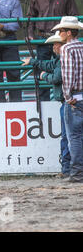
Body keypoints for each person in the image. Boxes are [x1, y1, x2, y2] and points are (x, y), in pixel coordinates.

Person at [27, 0, 79, 101]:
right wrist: (30, 34)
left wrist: (71, 35)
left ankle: (64, 98)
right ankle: (43, 101)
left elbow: (74, 16)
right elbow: (30, 18)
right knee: (44, 66)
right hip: (43, 38)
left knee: (63, 70)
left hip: (61, 40)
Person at [22, 31, 70, 178]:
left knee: (68, 137)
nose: (53, 46)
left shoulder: (63, 59)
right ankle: (69, 168)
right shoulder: (60, 59)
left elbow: (56, 77)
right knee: (69, 136)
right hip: (68, 101)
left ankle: (67, 169)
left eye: (56, 43)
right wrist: (34, 62)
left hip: (68, 102)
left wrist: (43, 76)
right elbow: (49, 65)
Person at [52, 16, 83, 183]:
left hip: (76, 98)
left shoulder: (67, 49)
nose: (59, 33)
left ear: (69, 32)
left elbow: (68, 75)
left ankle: (78, 173)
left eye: (61, 31)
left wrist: (67, 96)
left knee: (75, 137)